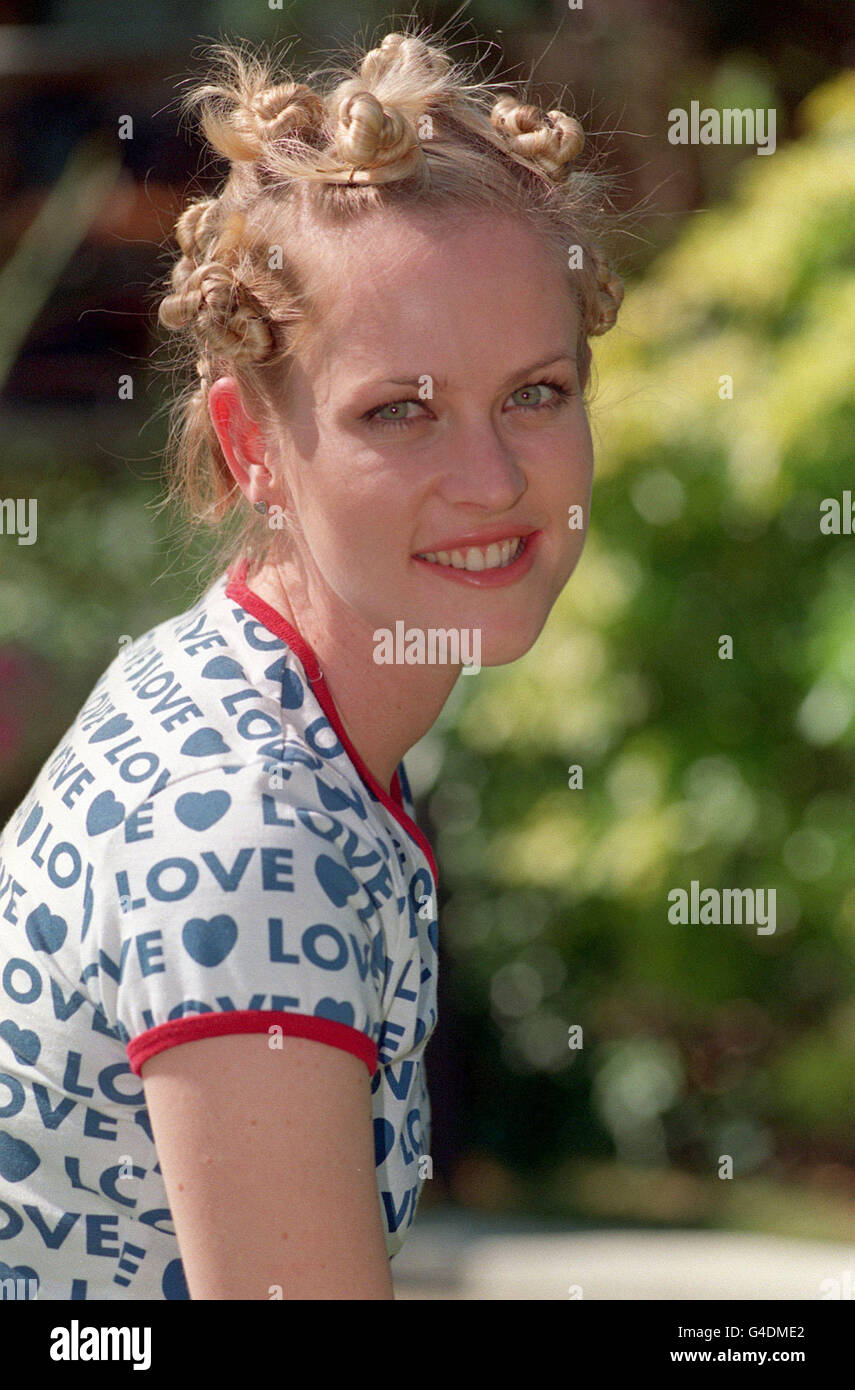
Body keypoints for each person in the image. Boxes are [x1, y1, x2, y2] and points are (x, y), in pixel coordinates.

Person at [0, 24, 623, 1300]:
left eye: (538, 392)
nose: (496, 479)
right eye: (401, 409)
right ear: (252, 445)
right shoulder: (249, 832)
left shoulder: (236, 682)